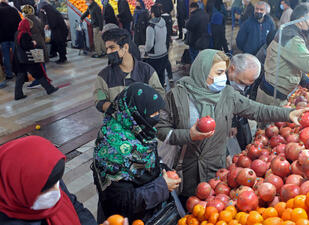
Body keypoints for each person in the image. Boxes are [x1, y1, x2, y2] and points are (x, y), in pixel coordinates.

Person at [156, 49, 309, 198]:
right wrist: (188, 135)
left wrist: (287, 113)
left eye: (223, 73)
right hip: (186, 169)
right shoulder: (176, 96)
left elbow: (257, 110)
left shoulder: (227, 95)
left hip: (214, 170)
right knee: (189, 206)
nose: (223, 78)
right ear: (202, 71)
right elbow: (161, 130)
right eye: (218, 73)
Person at [93, 83, 181, 222]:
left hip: (152, 214)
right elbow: (120, 203)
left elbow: (149, 165)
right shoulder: (112, 152)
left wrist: (164, 171)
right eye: (152, 113)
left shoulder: (139, 131)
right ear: (134, 113)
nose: (156, 117)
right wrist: (162, 186)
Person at [0, 135, 97, 225]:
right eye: (45, 190)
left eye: (57, 183)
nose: (56, 192)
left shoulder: (48, 179)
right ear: (16, 187)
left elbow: (75, 207)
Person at [94, 28, 165, 114]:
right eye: (107, 48)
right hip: (117, 125)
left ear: (125, 47)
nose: (108, 52)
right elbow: (99, 101)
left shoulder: (147, 71)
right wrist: (116, 108)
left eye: (112, 48)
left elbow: (160, 94)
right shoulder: (103, 76)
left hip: (144, 123)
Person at [14, 19, 58, 100]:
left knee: (20, 77)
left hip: (20, 59)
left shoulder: (17, 33)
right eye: (29, 26)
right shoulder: (25, 34)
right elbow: (26, 46)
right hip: (28, 58)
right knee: (39, 74)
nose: (30, 28)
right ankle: (49, 89)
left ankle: (18, 94)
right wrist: (33, 43)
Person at [227, 54, 261, 150]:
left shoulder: (251, 74)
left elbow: (252, 91)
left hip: (241, 114)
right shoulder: (218, 82)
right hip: (226, 115)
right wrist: (232, 124)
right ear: (231, 69)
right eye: (241, 82)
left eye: (248, 84)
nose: (243, 87)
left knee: (246, 140)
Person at [21, 4, 51, 89]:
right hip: (40, 42)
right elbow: (42, 31)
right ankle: (43, 79)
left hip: (34, 43)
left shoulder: (27, 21)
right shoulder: (37, 18)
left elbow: (25, 34)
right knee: (41, 62)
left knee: (37, 63)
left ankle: (40, 80)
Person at [144, 4, 169, 87]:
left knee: (153, 78)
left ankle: (155, 96)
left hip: (155, 57)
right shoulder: (163, 23)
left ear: (152, 14)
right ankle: (162, 93)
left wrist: (145, 50)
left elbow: (149, 44)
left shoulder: (151, 27)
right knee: (161, 76)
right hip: (164, 53)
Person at [0, 0, 21, 87]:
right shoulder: (13, 10)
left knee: (6, 56)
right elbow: (20, 21)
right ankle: (19, 72)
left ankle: (9, 74)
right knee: (17, 54)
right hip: (13, 36)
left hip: (3, 38)